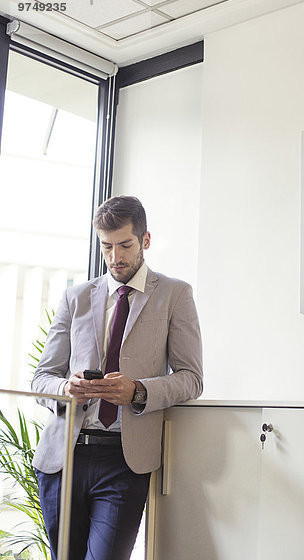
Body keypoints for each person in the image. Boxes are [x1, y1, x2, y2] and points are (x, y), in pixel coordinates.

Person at [31, 195, 203, 560]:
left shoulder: (175, 294)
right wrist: (66, 388)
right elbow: (42, 378)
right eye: (106, 246)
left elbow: (191, 378)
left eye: (124, 245)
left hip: (124, 461)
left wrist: (138, 391)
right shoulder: (75, 297)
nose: (115, 257)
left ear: (145, 240)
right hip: (64, 457)